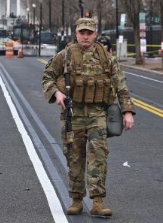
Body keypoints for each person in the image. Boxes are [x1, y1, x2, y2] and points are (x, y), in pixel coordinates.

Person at [42, 17, 135, 217]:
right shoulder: (64, 56)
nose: (85, 36)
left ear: (95, 34)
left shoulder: (106, 57)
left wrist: (127, 111)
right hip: (73, 114)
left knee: (98, 157)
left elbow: (121, 84)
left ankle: (98, 201)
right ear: (76, 33)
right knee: (74, 157)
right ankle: (76, 199)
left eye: (89, 33)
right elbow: (47, 76)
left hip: (97, 114)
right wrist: (56, 94)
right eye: (82, 32)